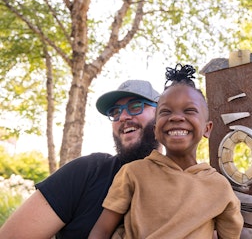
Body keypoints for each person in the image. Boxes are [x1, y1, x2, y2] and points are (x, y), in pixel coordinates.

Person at [89, 64, 244, 239]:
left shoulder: (220, 187)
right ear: (155, 130)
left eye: (189, 110)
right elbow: (102, 231)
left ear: (207, 129)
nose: (176, 117)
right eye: (165, 111)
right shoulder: (133, 173)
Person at [0, 80, 162, 239]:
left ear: (162, 113)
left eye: (135, 106)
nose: (122, 117)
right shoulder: (88, 171)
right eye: (115, 112)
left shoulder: (183, 182)